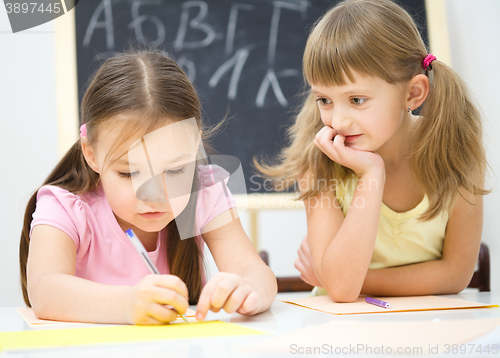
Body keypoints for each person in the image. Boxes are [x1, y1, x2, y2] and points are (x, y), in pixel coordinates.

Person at [20, 49, 276, 324]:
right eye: (129, 173)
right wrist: (127, 304)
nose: (154, 195)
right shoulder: (66, 207)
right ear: (91, 154)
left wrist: (250, 290)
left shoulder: (203, 192)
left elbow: (253, 271)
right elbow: (44, 290)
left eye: (176, 169)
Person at [257, 0, 488, 302]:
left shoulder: (455, 155)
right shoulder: (318, 162)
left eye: (356, 100)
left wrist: (348, 276)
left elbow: (456, 274)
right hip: (343, 329)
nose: (337, 121)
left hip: (430, 325)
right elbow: (340, 290)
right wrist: (370, 175)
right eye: (324, 100)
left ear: (413, 93)